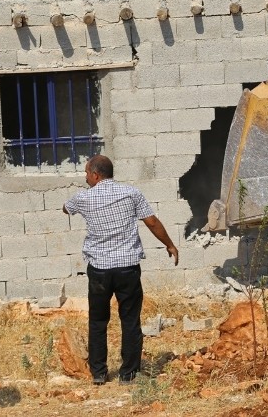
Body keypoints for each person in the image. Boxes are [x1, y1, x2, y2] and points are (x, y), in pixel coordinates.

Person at [62, 155, 179, 385]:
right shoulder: (131, 193)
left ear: (96, 175)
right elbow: (152, 222)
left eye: (86, 174)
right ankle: (128, 374)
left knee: (98, 321)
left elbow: (66, 209)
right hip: (127, 268)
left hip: (99, 270)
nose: (85, 178)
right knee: (130, 320)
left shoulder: (84, 197)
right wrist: (169, 245)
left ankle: (99, 373)